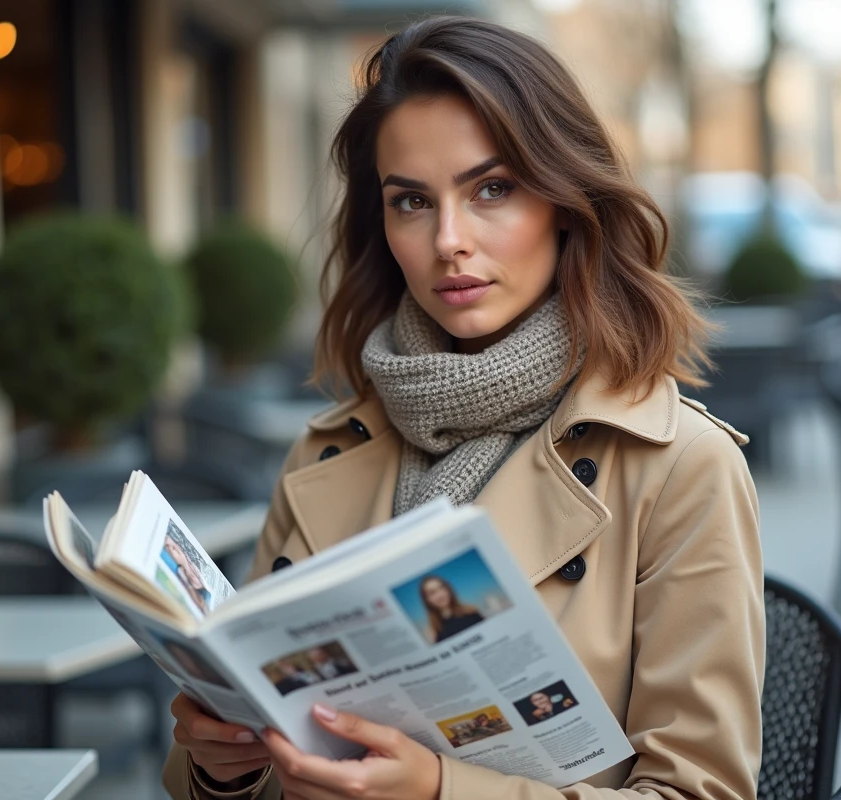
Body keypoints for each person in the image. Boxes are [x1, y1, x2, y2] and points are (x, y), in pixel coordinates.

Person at [165, 16, 763, 800]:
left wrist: (441, 790)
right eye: (412, 201)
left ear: (566, 200)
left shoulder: (680, 467)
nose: (448, 239)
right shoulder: (328, 449)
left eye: (492, 188)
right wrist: (222, 767)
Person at [418, 575, 485, 643]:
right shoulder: (434, 631)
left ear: (448, 589)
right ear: (427, 600)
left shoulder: (471, 613)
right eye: (432, 593)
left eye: (441, 588)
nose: (440, 595)